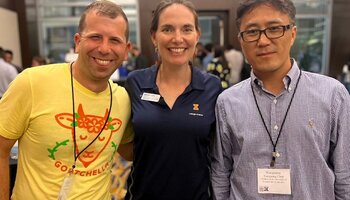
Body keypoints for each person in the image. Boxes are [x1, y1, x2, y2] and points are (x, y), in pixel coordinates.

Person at [211, 0, 350, 199]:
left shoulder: (333, 95)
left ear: (293, 34)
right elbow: (220, 173)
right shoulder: (227, 103)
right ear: (241, 40)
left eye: (274, 28)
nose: (263, 40)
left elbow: (345, 175)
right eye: (252, 32)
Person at [0, 1, 133, 199]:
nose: (105, 49)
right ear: (78, 42)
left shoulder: (122, 99)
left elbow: (130, 151)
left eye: (115, 40)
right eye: (96, 37)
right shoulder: (32, 82)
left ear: (126, 50)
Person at [124, 0, 221, 199]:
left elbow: (218, 149)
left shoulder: (212, 87)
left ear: (197, 35)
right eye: (167, 29)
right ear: (154, 36)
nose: (178, 39)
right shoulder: (135, 83)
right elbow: (121, 141)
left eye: (186, 29)